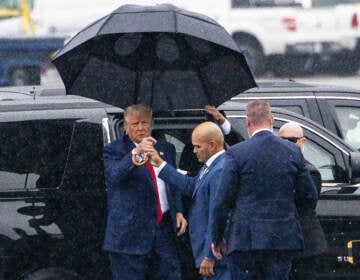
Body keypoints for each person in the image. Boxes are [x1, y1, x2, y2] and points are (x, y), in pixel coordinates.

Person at [211, 100, 318, 279]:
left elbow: (222, 200)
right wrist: (288, 214)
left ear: (247, 122)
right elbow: (309, 196)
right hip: (281, 238)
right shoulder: (292, 151)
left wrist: (217, 236)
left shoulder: (237, 153)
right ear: (272, 120)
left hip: (245, 239)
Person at [102, 104, 187, 280]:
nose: (140, 128)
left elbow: (172, 182)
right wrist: (136, 153)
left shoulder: (166, 149)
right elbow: (115, 177)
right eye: (135, 124)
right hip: (130, 234)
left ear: (152, 125)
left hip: (163, 230)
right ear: (126, 127)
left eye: (144, 123)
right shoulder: (114, 150)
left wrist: (178, 210)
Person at [149, 121, 231, 280]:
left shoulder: (220, 170)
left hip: (215, 257)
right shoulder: (211, 166)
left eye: (198, 147)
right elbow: (191, 186)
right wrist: (160, 164)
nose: (193, 151)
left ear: (212, 145)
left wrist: (210, 255)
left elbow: (218, 216)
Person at [278, 122, 327, 280]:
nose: (285, 145)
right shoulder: (275, 168)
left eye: (290, 140)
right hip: (282, 244)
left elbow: (305, 202)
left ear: (302, 142)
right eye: (281, 140)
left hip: (304, 245)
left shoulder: (309, 171)